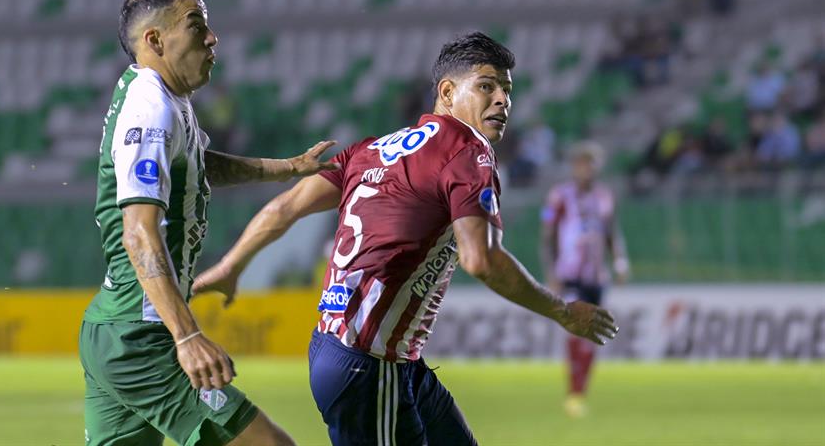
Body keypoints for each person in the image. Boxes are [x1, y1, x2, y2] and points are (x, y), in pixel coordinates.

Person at [192, 32, 619, 446]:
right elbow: (481, 260)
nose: (502, 100)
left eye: (507, 91)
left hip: (363, 355)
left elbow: (285, 208)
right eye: (487, 86)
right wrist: (562, 311)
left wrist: (232, 267)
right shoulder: (468, 151)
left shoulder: (371, 149)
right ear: (448, 93)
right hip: (368, 364)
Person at [79, 0, 338, 446]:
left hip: (114, 329)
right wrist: (185, 337)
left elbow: (196, 165)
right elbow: (139, 232)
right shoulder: (149, 108)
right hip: (143, 337)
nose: (213, 38)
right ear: (155, 39)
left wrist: (284, 168)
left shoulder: (160, 97)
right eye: (197, 25)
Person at [540, 141, 629, 418]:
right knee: (575, 330)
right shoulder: (559, 196)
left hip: (596, 276)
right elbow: (548, 236)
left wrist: (620, 261)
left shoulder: (604, 196)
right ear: (574, 166)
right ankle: (574, 392)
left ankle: (580, 391)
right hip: (569, 275)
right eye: (582, 163)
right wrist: (551, 272)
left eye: (591, 163)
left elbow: (612, 231)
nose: (586, 168)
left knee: (592, 337)